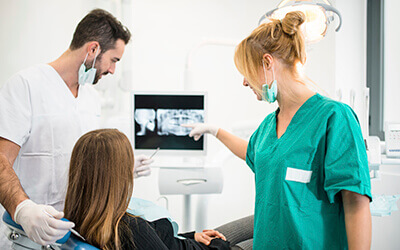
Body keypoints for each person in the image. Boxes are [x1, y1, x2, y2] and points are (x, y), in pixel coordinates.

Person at [183, 11, 372, 249]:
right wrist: (216, 130)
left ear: (267, 63)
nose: (244, 82)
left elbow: (355, 204)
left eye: (246, 71)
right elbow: (256, 154)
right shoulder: (267, 127)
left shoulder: (334, 118)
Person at [0, 9, 152, 247]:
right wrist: (23, 209)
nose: (113, 70)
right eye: (114, 60)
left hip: (76, 235)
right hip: (28, 237)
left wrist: (122, 167)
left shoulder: (91, 98)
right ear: (93, 49)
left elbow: (86, 164)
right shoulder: (26, 85)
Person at [64, 128, 233, 249]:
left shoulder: (83, 217)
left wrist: (190, 236)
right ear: (118, 174)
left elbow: (157, 239)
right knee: (254, 228)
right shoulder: (132, 228)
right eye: (127, 162)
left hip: (186, 241)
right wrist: (221, 245)